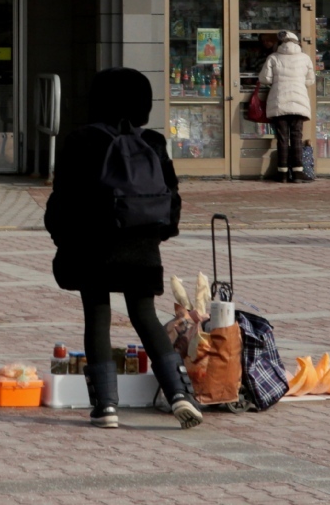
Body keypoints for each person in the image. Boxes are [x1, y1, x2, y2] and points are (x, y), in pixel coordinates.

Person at [44, 67, 203, 430]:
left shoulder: (82, 139)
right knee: (144, 314)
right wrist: (155, 235)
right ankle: (179, 392)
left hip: (93, 242)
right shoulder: (155, 142)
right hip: (141, 240)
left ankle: (105, 407)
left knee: (97, 316)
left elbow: (62, 200)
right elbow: (172, 200)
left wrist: (61, 237)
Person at [257, 30, 316, 183]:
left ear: (282, 43)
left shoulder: (273, 57)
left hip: (279, 100)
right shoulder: (305, 58)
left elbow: (265, 79)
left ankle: (282, 173)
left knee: (282, 138)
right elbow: (310, 81)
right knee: (296, 136)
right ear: (297, 43)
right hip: (299, 101)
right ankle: (297, 172)